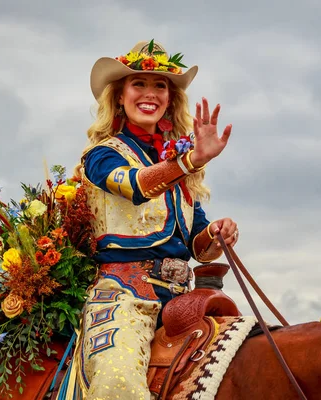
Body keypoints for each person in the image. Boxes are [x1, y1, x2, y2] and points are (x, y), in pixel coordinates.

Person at [66, 39, 239, 400]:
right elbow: (134, 186)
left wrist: (218, 233)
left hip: (182, 299)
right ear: (119, 96)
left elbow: (198, 247)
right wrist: (190, 160)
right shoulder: (102, 154)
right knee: (118, 385)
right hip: (122, 298)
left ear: (170, 100)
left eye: (160, 85)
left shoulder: (176, 164)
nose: (150, 93)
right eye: (138, 83)